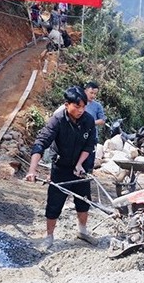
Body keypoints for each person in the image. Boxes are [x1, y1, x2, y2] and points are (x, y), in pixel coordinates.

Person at [25, 86, 98, 250]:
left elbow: (89, 145)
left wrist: (80, 164)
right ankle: (49, 236)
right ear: (67, 104)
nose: (81, 110)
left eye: (83, 107)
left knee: (83, 201)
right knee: (54, 203)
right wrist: (32, 170)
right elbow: (40, 143)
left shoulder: (88, 120)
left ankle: (83, 231)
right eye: (77, 106)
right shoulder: (57, 120)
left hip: (81, 167)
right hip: (61, 167)